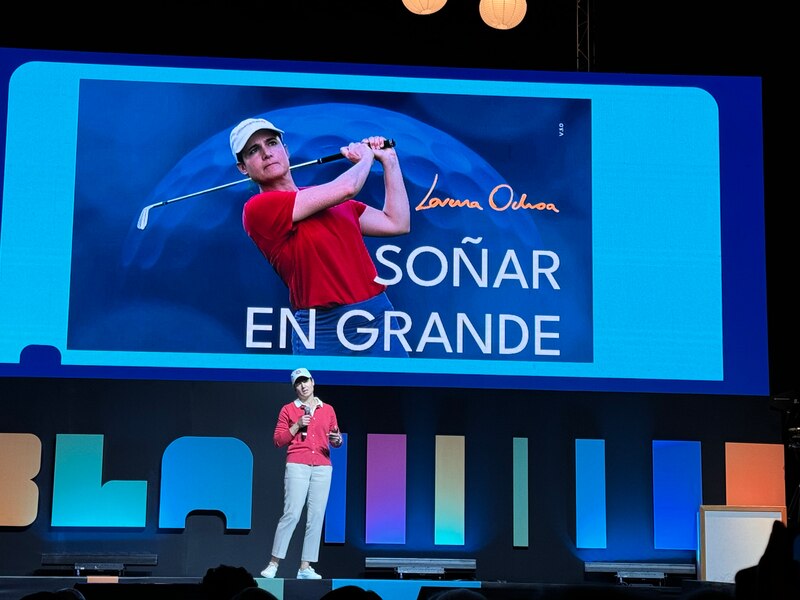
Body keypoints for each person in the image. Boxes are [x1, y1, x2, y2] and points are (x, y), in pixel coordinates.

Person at [230, 117, 411, 356]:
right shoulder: (258, 208)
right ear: (243, 168)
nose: (267, 153)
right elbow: (347, 188)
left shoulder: (329, 200)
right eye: (254, 150)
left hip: (377, 320)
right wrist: (366, 156)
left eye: (272, 143)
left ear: (285, 150)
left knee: (397, 394)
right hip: (322, 331)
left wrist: (389, 161)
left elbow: (396, 222)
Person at [259, 367, 343, 580]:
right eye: (298, 383)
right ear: (294, 387)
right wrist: (297, 425)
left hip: (323, 466)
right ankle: (273, 563)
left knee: (315, 517)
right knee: (292, 513)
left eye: (306, 381)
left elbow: (336, 436)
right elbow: (278, 440)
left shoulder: (328, 409)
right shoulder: (289, 410)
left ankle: (305, 567)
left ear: (313, 382)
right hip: (298, 464)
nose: (303, 386)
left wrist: (337, 440)